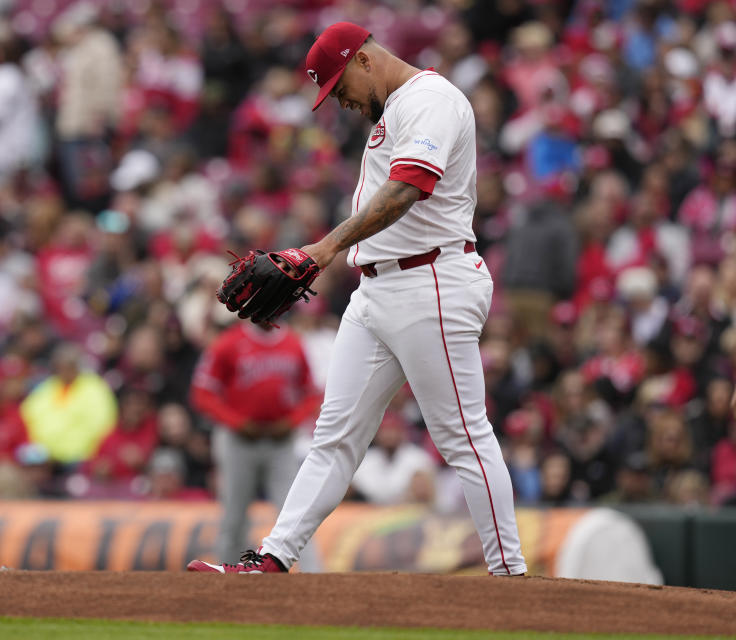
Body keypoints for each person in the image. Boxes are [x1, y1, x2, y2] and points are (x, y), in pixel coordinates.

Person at [188, 22, 527, 575]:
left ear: (364, 60)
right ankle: (273, 559)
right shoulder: (394, 109)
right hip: (377, 289)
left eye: (340, 86)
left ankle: (510, 576)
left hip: (431, 281)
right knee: (333, 438)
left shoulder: (432, 99)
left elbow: (408, 188)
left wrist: (319, 251)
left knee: (463, 436)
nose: (340, 102)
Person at [190, 319, 321, 565]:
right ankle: (226, 577)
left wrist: (291, 422)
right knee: (234, 517)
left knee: (294, 514)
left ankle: (315, 576)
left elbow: (311, 393)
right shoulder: (228, 343)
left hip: (280, 442)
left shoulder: (293, 343)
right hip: (237, 441)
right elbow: (202, 393)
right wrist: (237, 422)